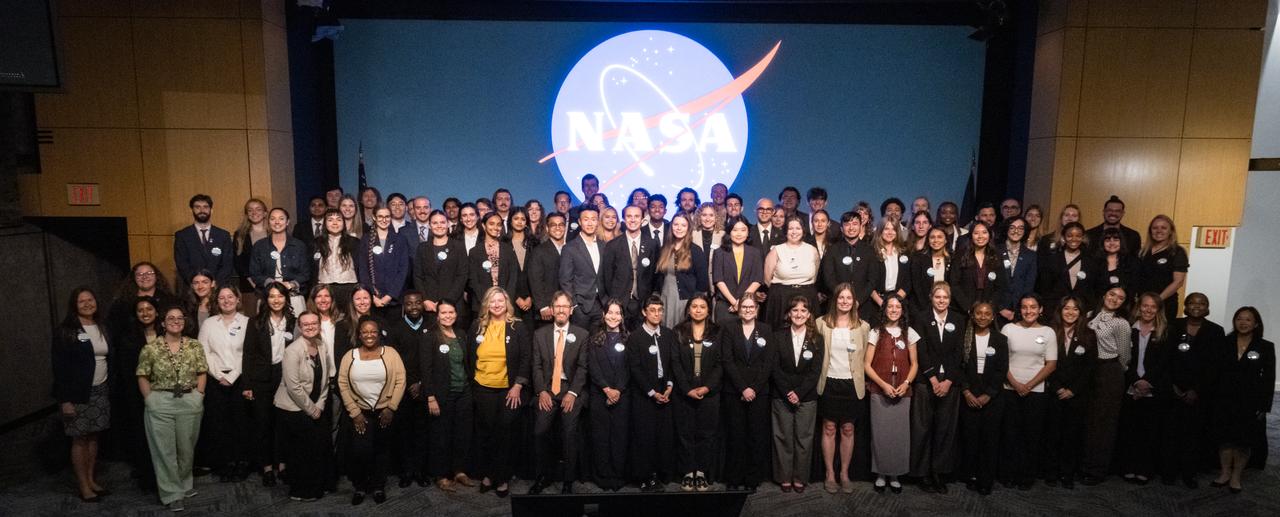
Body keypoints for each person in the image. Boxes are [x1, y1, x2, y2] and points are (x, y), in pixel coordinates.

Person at [136, 305, 207, 512]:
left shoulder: (194, 346)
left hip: (189, 400)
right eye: (171, 318)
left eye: (180, 318)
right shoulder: (151, 348)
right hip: (161, 402)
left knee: (186, 448)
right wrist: (150, 399)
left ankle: (185, 485)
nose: (176, 321)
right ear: (163, 322)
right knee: (164, 451)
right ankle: (171, 493)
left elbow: (202, 371)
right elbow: (142, 375)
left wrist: (199, 395)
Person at [337, 316, 407, 505]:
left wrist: (391, 408)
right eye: (365, 332)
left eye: (373, 332)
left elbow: (401, 380)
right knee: (360, 452)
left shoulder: (390, 353)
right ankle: (360, 487)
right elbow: (342, 383)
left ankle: (378, 486)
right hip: (361, 414)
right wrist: (355, 412)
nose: (369, 335)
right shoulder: (349, 356)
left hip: (384, 413)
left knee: (381, 451)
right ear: (359, 335)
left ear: (379, 334)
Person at [470, 287, 532, 497]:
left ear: (507, 303)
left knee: (504, 434)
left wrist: (517, 385)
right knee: (486, 433)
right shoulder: (477, 326)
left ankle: (502, 477)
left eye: (500, 300)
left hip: (509, 390)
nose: (496, 305)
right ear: (486, 304)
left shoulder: (518, 327)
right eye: (492, 301)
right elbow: (470, 358)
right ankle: (488, 474)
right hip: (483, 388)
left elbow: (526, 358)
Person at [52, 287, 112, 502]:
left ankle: (91, 479)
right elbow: (59, 367)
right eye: (81, 301)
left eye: (90, 299)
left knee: (94, 436)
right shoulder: (66, 331)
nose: (87, 304)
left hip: (101, 390)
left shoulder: (102, 326)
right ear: (74, 305)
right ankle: (83, 486)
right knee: (79, 439)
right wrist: (65, 399)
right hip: (77, 393)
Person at [529, 291, 590, 495]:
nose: (561, 310)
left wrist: (572, 393)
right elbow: (535, 366)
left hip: (570, 390)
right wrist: (541, 392)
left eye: (565, 306)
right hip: (547, 389)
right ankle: (542, 476)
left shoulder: (582, 335)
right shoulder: (540, 334)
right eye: (558, 306)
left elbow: (583, 367)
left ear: (571, 310)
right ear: (552, 310)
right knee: (539, 432)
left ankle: (568, 480)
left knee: (569, 434)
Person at [1209, 306, 1274, 493]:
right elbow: (1215, 372)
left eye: (1248, 319)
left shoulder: (1265, 346)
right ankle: (1224, 473)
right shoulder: (1224, 342)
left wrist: (1264, 405)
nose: (1243, 322)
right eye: (1239, 318)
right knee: (1225, 439)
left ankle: (1236, 476)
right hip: (1224, 399)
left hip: (1250, 401)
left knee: (1243, 441)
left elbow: (1269, 378)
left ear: (1256, 324)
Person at [910, 282, 966, 493]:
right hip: (926, 381)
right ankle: (922, 473)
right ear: (931, 298)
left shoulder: (959, 320)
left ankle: (938, 472)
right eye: (937, 297)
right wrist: (933, 379)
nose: (941, 301)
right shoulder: (922, 318)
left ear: (950, 299)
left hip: (950, 383)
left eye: (945, 297)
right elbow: (921, 351)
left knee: (945, 430)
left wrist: (949, 380)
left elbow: (960, 352)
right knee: (922, 428)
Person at [815, 283, 871, 494]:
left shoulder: (863, 327)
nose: (844, 301)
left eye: (848, 298)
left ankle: (844, 473)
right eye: (841, 298)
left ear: (854, 302)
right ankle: (830, 473)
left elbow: (866, 357)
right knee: (829, 428)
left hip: (851, 384)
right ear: (834, 300)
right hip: (829, 382)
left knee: (848, 429)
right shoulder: (821, 324)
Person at [273, 312, 334, 502]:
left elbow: (325, 380)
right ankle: (301, 491)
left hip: (316, 403)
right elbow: (293, 387)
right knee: (302, 452)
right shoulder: (293, 350)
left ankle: (319, 485)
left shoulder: (321, 345)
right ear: (299, 327)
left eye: (314, 323)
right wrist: (311, 409)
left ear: (319, 325)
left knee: (318, 448)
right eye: (305, 324)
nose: (310, 327)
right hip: (293, 407)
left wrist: (321, 403)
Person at [1165, 292, 1223, 487]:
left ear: (1207, 308)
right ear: (1186, 306)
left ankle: (1189, 473)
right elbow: (1165, 359)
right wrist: (1172, 385)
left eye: (1202, 303)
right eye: (1192, 302)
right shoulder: (1173, 325)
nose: (1197, 306)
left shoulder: (1216, 331)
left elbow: (1214, 366)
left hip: (1199, 393)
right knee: (1171, 433)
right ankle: (1169, 471)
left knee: (1194, 435)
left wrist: (1195, 390)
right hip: (1172, 389)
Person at [241, 283, 296, 487]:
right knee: (263, 423)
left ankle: (282, 465)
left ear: (286, 299)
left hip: (285, 377)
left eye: (280, 296)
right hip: (261, 378)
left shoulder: (293, 322)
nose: (276, 300)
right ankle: (266, 467)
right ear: (266, 299)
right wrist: (247, 384)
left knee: (283, 423)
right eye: (272, 296)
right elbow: (248, 354)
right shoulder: (255, 323)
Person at [1000, 294, 1057, 490]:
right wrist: (1015, 383)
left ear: (1040, 309)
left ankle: (1026, 476)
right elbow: (1002, 361)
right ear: (1019, 309)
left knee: (1031, 435)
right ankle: (1008, 473)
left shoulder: (1049, 332)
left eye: (1033, 307)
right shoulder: (1008, 329)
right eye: (1024, 307)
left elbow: (1051, 364)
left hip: (1037, 391)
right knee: (1010, 434)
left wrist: (1029, 385)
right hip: (1009, 388)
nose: (1029, 311)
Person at [864, 295, 918, 494]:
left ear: (902, 310)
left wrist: (906, 383)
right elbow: (866, 365)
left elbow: (915, 364)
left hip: (902, 391)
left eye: (897, 306)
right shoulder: (876, 332)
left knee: (899, 435)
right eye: (890, 306)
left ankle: (895, 474)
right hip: (880, 390)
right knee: (880, 434)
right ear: (884, 309)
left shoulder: (910, 333)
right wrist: (882, 384)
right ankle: (880, 474)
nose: (894, 310)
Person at [421, 300, 477, 492]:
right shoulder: (430, 336)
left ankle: (459, 471)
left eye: (451, 312)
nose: (447, 316)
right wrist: (430, 397)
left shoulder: (461, 334)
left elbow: (467, 363)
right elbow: (426, 370)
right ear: (437, 315)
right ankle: (441, 474)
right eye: (443, 313)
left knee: (462, 434)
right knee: (441, 436)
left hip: (463, 392)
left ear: (456, 313)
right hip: (441, 395)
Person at [1042, 295, 1096, 489]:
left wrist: (1073, 390)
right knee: (1052, 434)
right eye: (1067, 308)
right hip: (1053, 391)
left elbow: (1090, 368)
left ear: (1081, 313)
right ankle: (1051, 472)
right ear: (1060, 310)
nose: (1070, 312)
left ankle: (1067, 474)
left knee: (1071, 436)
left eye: (1075, 309)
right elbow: (1045, 363)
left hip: (1076, 394)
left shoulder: (1089, 335)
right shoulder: (1049, 332)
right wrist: (1057, 387)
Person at [720, 295, 774, 491]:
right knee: (735, 436)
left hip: (759, 392)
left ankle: (752, 478)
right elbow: (726, 360)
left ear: (757, 309)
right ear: (739, 308)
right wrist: (743, 387)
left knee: (755, 436)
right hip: (734, 391)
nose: (748, 310)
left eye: (752, 307)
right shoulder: (728, 328)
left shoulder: (766, 330)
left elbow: (768, 362)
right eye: (745, 306)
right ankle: (734, 478)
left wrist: (754, 388)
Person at [197, 286, 250, 482]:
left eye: (230, 296)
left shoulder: (247, 322)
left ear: (238, 299)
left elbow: (248, 353)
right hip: (215, 380)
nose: (226, 300)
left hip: (240, 379)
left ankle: (241, 462)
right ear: (216, 301)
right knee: (219, 423)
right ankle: (225, 463)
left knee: (241, 423)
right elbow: (204, 352)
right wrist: (219, 375)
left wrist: (232, 376)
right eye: (221, 297)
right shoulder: (209, 324)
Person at [771, 295, 823, 494]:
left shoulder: (817, 338)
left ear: (809, 314)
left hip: (806, 396)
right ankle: (784, 477)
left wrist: (799, 393)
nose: (799, 314)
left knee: (804, 438)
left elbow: (815, 371)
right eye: (795, 310)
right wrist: (787, 392)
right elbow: (774, 367)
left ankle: (800, 477)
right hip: (781, 395)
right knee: (782, 437)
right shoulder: (778, 336)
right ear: (789, 313)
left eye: (803, 311)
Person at [671, 294, 722, 492]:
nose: (698, 310)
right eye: (694, 306)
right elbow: (674, 363)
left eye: (702, 306)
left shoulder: (717, 332)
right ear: (689, 309)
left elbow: (720, 364)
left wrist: (707, 387)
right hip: (685, 392)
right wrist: (687, 389)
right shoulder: (678, 331)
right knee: (685, 433)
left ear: (709, 310)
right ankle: (686, 471)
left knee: (706, 433)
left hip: (709, 391)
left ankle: (700, 471)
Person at [1119, 292, 1171, 485]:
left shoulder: (1165, 331)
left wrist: (1146, 381)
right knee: (1130, 430)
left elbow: (1164, 362)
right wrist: (1135, 381)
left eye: (1153, 307)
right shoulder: (1128, 329)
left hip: (1152, 388)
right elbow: (1124, 357)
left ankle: (1144, 469)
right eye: (1145, 306)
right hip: (1131, 387)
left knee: (1149, 432)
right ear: (1139, 307)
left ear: (1158, 310)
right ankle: (1128, 467)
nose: (1148, 310)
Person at [627, 295, 678, 492]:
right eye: (652, 310)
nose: (657, 314)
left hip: (665, 389)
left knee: (663, 436)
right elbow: (635, 368)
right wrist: (652, 392)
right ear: (644, 312)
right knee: (644, 437)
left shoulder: (668, 334)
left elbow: (673, 362)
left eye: (660, 310)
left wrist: (670, 387)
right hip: (644, 393)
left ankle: (660, 473)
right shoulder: (635, 337)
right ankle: (643, 476)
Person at [956, 301, 1008, 495]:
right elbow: (958, 367)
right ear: (973, 315)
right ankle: (970, 475)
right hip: (969, 395)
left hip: (992, 398)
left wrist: (989, 394)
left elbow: (1002, 369)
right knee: (970, 438)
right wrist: (967, 391)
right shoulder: (964, 337)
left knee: (989, 440)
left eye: (987, 313)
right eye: (979, 313)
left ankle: (986, 479)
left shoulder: (1000, 339)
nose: (983, 317)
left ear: (993, 316)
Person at [1081, 286, 1131, 485]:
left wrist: (1112, 372)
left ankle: (1097, 470)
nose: (1115, 299)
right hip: (1089, 370)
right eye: (1112, 294)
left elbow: (1125, 356)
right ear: (1104, 295)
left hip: (1110, 371)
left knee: (1104, 424)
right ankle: (1083, 464)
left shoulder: (1121, 324)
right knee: (1089, 420)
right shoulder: (1089, 315)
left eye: (1120, 298)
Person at [111, 296, 161, 489]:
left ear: (157, 312)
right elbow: (127, 369)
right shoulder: (128, 337)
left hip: (165, 392)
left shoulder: (165, 332)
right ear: (135, 314)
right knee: (142, 433)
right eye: (141, 310)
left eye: (149, 309)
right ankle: (147, 474)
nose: (145, 313)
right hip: (138, 393)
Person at [587, 300, 632, 491]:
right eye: (610, 312)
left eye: (617, 313)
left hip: (622, 395)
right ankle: (603, 475)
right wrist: (606, 389)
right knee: (601, 436)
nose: (613, 316)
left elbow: (630, 368)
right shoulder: (594, 339)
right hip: (599, 395)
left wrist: (618, 390)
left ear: (622, 317)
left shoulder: (629, 339)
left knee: (620, 436)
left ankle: (618, 474)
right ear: (604, 314)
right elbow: (592, 366)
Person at [386, 292, 429, 488]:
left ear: (423, 304)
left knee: (422, 432)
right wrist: (410, 382)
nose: (414, 307)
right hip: (402, 389)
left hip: (425, 387)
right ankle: (406, 471)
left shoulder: (431, 326)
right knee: (404, 432)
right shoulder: (396, 329)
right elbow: (393, 361)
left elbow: (433, 360)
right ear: (404, 305)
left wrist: (421, 383)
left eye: (417, 303)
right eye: (409, 303)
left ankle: (420, 471)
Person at [602, 205, 660, 326]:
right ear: (623, 219)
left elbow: (656, 274)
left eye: (636, 216)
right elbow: (607, 277)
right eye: (629, 216)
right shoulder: (613, 245)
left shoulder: (652, 244)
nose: (633, 220)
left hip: (643, 302)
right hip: (619, 302)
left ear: (643, 219)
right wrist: (613, 299)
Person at [249, 207, 311, 316]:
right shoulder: (259, 246)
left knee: (297, 331)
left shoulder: (299, 246)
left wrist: (291, 284)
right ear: (268, 222)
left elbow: (305, 274)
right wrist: (271, 283)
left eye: (281, 219)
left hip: (293, 297)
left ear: (287, 222)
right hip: (267, 296)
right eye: (273, 219)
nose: (277, 222)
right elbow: (255, 273)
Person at [411, 210, 467, 329]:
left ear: (447, 224)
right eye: (435, 223)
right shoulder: (422, 248)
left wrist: (447, 301)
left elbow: (462, 276)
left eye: (442, 222)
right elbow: (417, 276)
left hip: (453, 304)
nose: (439, 226)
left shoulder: (458, 246)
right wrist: (425, 300)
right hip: (430, 305)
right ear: (430, 225)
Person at [762, 217, 819, 328]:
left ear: (803, 230)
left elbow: (815, 275)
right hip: (781, 298)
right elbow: (767, 279)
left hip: (807, 296)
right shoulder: (776, 250)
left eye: (798, 228)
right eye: (790, 228)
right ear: (785, 231)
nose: (794, 232)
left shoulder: (812, 250)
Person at [655, 213, 710, 329]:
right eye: (676, 224)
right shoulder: (664, 249)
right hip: (665, 298)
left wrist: (695, 305)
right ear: (671, 227)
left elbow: (703, 283)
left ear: (688, 228)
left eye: (683, 225)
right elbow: (658, 278)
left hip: (685, 300)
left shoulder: (695, 251)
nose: (679, 228)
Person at [559, 206, 607, 329]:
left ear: (598, 221)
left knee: (598, 343)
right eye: (586, 219)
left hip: (601, 303)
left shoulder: (604, 246)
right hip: (581, 305)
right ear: (580, 222)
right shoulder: (570, 248)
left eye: (593, 219)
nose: (590, 223)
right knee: (581, 344)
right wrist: (574, 304)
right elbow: (565, 280)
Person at [357, 207, 411, 316]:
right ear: (374, 217)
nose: (384, 220)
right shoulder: (366, 239)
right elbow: (363, 270)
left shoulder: (400, 239)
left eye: (387, 217)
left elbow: (403, 270)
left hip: (394, 299)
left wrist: (390, 295)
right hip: (374, 298)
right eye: (380, 217)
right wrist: (371, 295)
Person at [1136, 215, 1189, 323]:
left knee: (1161, 337)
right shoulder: (1142, 252)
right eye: (1155, 228)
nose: (1159, 231)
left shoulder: (1177, 252)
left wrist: (1155, 302)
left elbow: (1178, 282)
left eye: (1163, 228)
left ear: (1171, 231)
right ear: (1150, 231)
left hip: (1164, 303)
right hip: (1142, 305)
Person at [712, 216, 764, 325]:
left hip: (748, 305)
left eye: (743, 230)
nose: (739, 234)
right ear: (729, 232)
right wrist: (734, 302)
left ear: (748, 232)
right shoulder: (719, 253)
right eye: (735, 230)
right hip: (725, 304)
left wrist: (742, 302)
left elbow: (757, 279)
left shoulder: (755, 253)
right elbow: (718, 280)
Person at [821, 212, 874, 318]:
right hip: (837, 304)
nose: (851, 228)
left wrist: (858, 301)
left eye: (855, 224)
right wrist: (842, 298)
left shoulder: (869, 250)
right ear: (841, 228)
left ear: (860, 226)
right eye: (847, 224)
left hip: (862, 306)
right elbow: (828, 278)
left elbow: (872, 280)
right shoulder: (832, 250)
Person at [1036, 222, 1096, 316]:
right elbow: (1045, 287)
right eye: (1069, 235)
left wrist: (1090, 308)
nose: (1074, 239)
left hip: (1080, 310)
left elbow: (1091, 288)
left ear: (1083, 238)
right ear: (1063, 237)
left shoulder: (1090, 260)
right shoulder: (1052, 259)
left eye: (1078, 236)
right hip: (1055, 309)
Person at [174, 194, 234, 287]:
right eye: (197, 207)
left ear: (211, 210)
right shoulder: (182, 235)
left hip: (217, 286)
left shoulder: (223, 235)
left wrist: (215, 282)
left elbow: (227, 264)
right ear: (191, 210)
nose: (202, 210)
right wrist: (197, 283)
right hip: (193, 288)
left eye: (205, 207)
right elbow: (182, 264)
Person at [951, 221, 1007, 317]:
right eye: (976, 233)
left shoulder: (997, 256)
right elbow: (954, 284)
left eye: (984, 232)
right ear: (971, 236)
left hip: (988, 308)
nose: (980, 236)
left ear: (990, 235)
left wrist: (990, 307)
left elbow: (1001, 286)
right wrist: (968, 307)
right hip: (964, 308)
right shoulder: (961, 255)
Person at [468, 212, 520, 314]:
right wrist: (488, 300)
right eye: (491, 224)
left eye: (499, 224)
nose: (496, 227)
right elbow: (473, 279)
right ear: (483, 226)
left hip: (505, 304)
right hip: (482, 303)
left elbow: (513, 277)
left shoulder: (508, 249)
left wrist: (504, 300)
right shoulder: (474, 251)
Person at [315, 208, 360, 310]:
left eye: (339, 220)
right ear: (325, 223)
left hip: (349, 287)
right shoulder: (316, 243)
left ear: (344, 223)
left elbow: (361, 267)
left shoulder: (354, 242)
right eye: (330, 220)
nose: (335, 223)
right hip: (324, 289)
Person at [869, 217, 911, 325]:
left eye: (893, 229)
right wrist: (882, 303)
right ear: (880, 231)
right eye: (886, 229)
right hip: (877, 302)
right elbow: (867, 280)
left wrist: (895, 302)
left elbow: (908, 280)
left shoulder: (904, 253)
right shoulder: (871, 253)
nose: (890, 232)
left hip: (898, 302)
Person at [528, 213, 568, 325]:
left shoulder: (571, 248)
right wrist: (542, 306)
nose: (558, 228)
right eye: (553, 225)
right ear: (547, 228)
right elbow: (535, 281)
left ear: (565, 227)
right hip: (548, 309)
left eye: (561, 224)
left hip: (568, 308)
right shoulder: (539, 251)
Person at [998, 217, 1037, 324]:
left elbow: (1029, 285)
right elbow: (990, 283)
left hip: (1020, 312)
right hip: (996, 310)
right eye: (1012, 228)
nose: (1016, 231)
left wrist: (1020, 309)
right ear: (1006, 229)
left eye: (1020, 228)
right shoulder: (994, 251)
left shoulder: (1031, 255)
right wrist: (1000, 308)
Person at [908, 228, 950, 316]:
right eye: (932, 237)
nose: (936, 240)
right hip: (922, 307)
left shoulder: (951, 259)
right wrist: (927, 308)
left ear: (946, 240)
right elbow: (916, 286)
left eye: (939, 237)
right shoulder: (918, 258)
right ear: (928, 240)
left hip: (945, 307)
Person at [233, 198, 269, 295]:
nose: (254, 212)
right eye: (250, 210)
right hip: (249, 286)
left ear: (265, 213)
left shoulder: (273, 233)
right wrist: (250, 280)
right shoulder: (240, 234)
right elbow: (238, 262)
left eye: (258, 209)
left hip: (273, 285)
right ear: (247, 214)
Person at [1089, 228, 1139, 299]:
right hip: (1098, 303)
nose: (1112, 243)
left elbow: (1133, 287)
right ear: (1103, 243)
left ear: (1121, 242)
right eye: (1107, 240)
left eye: (1116, 240)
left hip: (1122, 304)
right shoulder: (1095, 262)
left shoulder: (1131, 262)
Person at [507, 208, 537, 319]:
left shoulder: (534, 243)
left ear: (527, 222)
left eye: (523, 219)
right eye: (516, 218)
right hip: (510, 298)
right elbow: (503, 275)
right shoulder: (503, 243)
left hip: (531, 299)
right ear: (510, 221)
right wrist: (515, 297)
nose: (519, 222)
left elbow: (537, 274)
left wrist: (531, 297)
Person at [181, 270, 217, 334]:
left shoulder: (220, 305)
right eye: (196, 283)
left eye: (205, 282)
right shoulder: (187, 306)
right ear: (192, 286)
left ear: (212, 283)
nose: (200, 286)